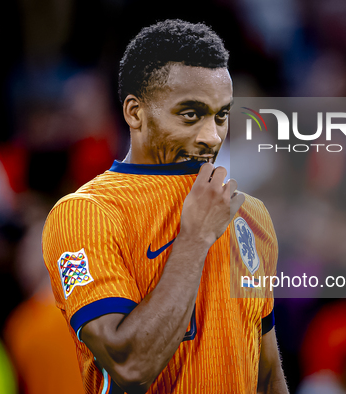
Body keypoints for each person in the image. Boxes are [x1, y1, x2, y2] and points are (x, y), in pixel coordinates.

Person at [42, 19, 288, 394]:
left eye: (221, 116)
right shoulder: (86, 213)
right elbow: (130, 364)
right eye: (190, 114)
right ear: (135, 113)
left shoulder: (251, 216)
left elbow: (267, 374)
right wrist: (194, 238)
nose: (211, 137)